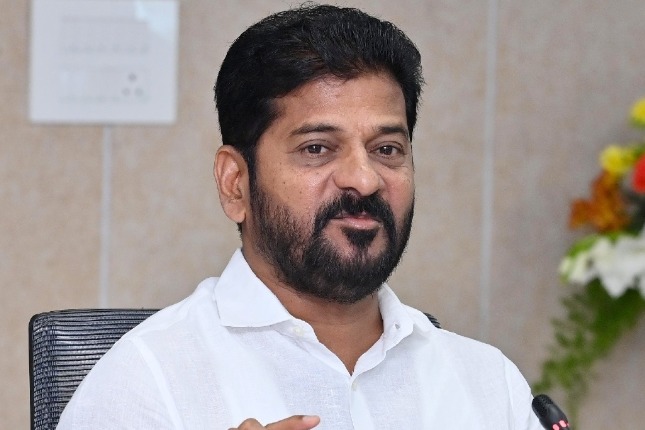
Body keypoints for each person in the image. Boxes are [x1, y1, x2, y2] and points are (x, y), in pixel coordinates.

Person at [57, 4, 542, 429]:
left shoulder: (488, 384)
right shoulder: (144, 385)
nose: (364, 180)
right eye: (317, 148)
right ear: (235, 183)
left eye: (387, 149)